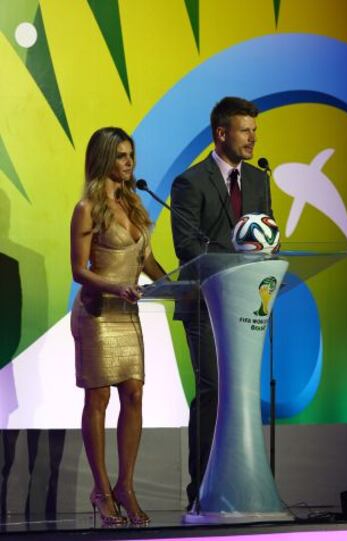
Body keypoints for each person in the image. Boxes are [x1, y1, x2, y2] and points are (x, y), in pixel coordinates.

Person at [170, 96, 274, 510]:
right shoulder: (190, 183)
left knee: (242, 392)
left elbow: (264, 235)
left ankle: (241, 484)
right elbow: (187, 245)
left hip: (246, 303)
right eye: (244, 130)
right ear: (221, 133)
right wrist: (235, 259)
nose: (252, 138)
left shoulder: (260, 181)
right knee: (213, 389)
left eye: (254, 130)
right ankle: (202, 491)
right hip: (204, 302)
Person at [70, 127, 166, 526]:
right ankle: (101, 489)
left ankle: (126, 485)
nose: (130, 163)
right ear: (104, 159)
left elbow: (146, 261)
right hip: (97, 313)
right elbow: (78, 270)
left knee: (135, 394)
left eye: (132, 155)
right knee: (99, 400)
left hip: (128, 313)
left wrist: (177, 284)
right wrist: (116, 286)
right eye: (122, 156)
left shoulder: (135, 205)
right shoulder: (87, 208)